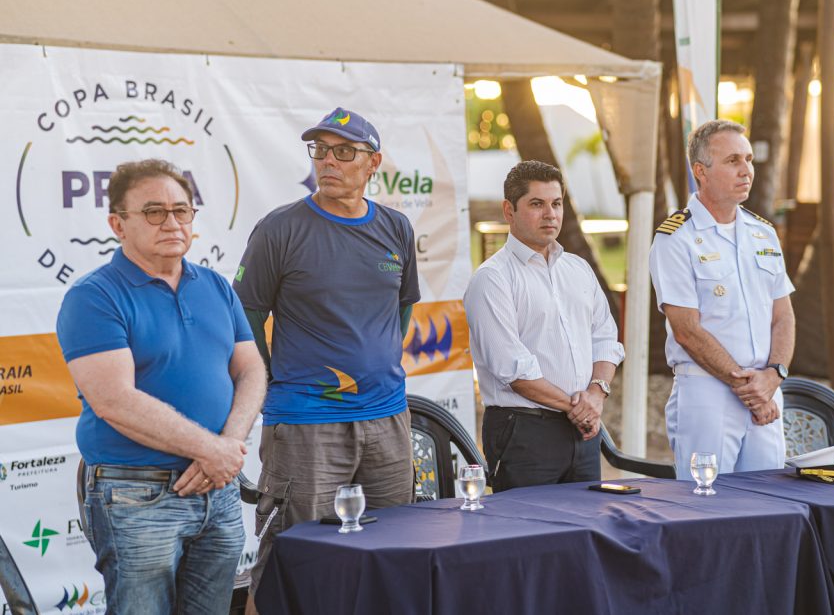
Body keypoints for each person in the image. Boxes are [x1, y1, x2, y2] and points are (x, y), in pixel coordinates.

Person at [55, 159, 266, 614]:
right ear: (117, 224)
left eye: (181, 210)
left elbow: (251, 370)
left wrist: (226, 448)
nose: (171, 222)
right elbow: (115, 402)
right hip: (137, 495)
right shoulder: (94, 297)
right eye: (153, 212)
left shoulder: (216, 286)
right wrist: (213, 451)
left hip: (219, 489)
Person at [233, 106, 420, 599]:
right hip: (305, 422)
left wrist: (376, 362)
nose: (329, 162)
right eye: (320, 150)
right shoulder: (279, 229)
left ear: (373, 162)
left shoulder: (396, 228)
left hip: (387, 420)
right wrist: (272, 380)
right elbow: (246, 318)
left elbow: (401, 309)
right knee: (291, 561)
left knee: (391, 553)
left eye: (344, 151)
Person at [464, 160, 624, 491]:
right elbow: (516, 372)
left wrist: (596, 394)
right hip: (525, 433)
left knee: (586, 532)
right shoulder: (492, 280)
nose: (550, 214)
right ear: (509, 211)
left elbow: (606, 339)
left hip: (583, 430)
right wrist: (580, 408)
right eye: (537, 204)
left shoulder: (578, 269)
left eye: (556, 203)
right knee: (528, 538)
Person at [650, 119, 795, 475]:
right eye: (733, 161)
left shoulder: (763, 233)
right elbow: (686, 330)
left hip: (766, 387)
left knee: (770, 507)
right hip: (708, 392)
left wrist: (773, 376)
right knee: (706, 508)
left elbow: (783, 316)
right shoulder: (675, 238)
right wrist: (747, 388)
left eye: (748, 160)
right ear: (701, 171)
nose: (746, 170)